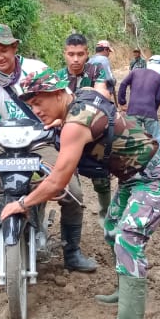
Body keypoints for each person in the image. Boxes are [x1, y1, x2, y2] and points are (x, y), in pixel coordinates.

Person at [0, 68, 160, 319]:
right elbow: (101, 105)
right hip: (133, 176)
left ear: (59, 93)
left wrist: (21, 203)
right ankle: (124, 291)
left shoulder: (75, 124)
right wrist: (61, 120)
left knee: (128, 238)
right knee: (111, 228)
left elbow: (58, 180)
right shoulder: (82, 98)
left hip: (156, 176)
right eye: (30, 103)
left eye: (39, 101)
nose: (34, 109)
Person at [0, 23, 97, 286]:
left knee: (72, 192)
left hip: (40, 141)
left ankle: (72, 253)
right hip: (2, 144)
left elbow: (66, 98)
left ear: (15, 48)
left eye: (3, 50)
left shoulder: (37, 69)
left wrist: (60, 123)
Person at [57, 33, 114, 227]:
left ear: (87, 53)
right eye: (71, 54)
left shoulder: (96, 70)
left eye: (80, 54)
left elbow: (102, 96)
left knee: (102, 180)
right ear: (64, 53)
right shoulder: (58, 77)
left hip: (93, 136)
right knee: (70, 182)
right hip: (66, 136)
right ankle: (74, 219)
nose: (75, 59)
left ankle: (106, 219)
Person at [117, 65, 160, 144]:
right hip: (150, 112)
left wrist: (122, 101)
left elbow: (123, 84)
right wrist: (153, 111)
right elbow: (158, 99)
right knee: (156, 140)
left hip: (133, 111)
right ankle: (159, 155)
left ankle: (134, 154)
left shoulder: (134, 72)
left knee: (132, 139)